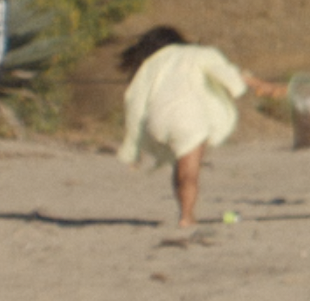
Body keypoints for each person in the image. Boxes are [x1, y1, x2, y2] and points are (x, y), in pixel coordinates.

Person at [116, 26, 286, 229]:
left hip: (157, 119)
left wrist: (134, 145)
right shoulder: (200, 54)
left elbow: (135, 96)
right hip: (189, 118)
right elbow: (231, 76)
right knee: (189, 171)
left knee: (180, 165)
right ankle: (186, 216)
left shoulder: (154, 62)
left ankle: (184, 211)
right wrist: (262, 85)